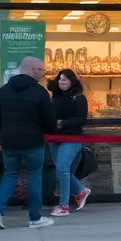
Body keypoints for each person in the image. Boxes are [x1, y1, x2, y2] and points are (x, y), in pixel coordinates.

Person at [0, 56, 57, 229]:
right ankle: (35, 218)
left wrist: (4, 133)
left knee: (10, 174)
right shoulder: (40, 92)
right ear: (31, 69)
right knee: (35, 177)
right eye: (41, 70)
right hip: (33, 142)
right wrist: (48, 130)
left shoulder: (4, 90)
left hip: (9, 142)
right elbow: (49, 121)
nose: (42, 73)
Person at [49, 68, 91, 217]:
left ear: (72, 81)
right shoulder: (55, 97)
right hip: (54, 138)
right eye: (60, 79)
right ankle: (81, 191)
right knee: (61, 170)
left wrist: (63, 123)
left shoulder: (78, 98)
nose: (62, 81)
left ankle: (64, 205)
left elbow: (82, 119)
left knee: (62, 168)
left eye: (65, 79)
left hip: (71, 138)